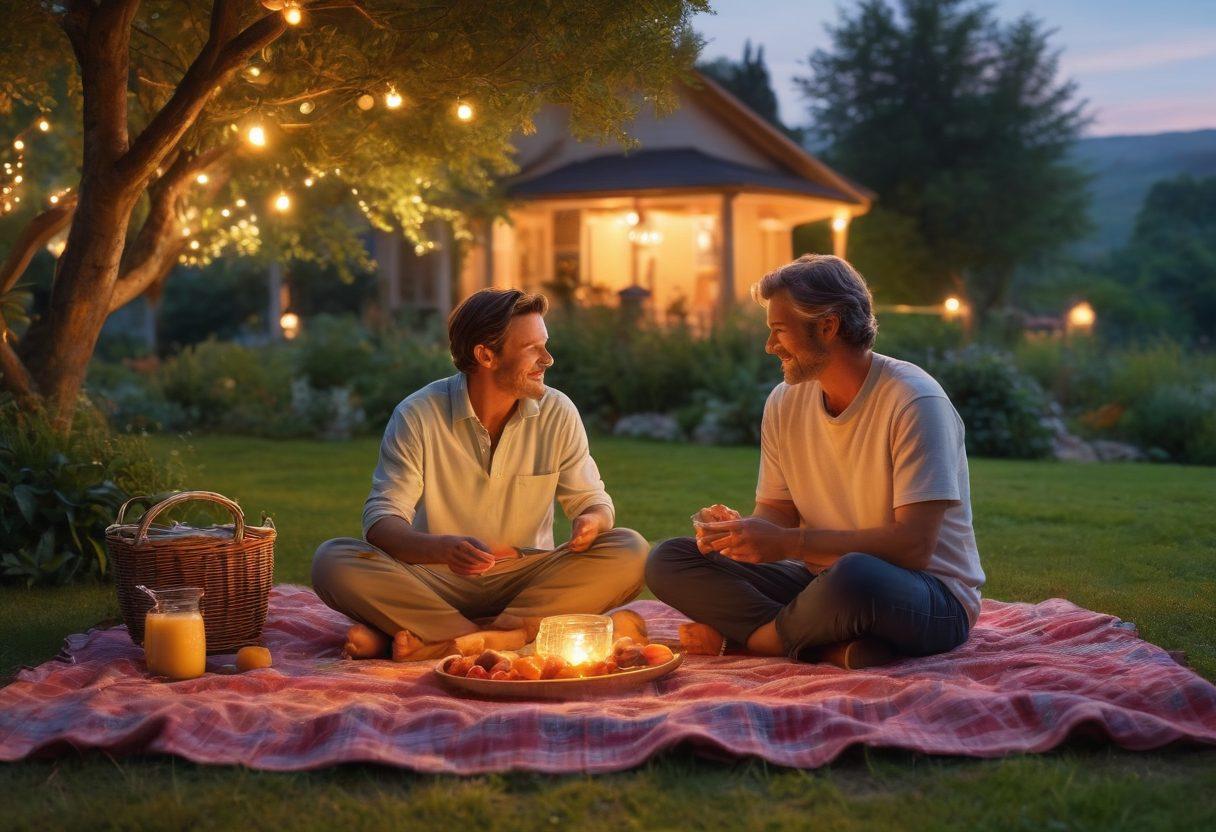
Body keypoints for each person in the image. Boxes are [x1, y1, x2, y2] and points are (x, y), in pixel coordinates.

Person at [645, 254, 984, 669]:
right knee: (669, 560)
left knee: (855, 576)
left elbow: (912, 547)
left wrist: (788, 544)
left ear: (827, 326)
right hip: (820, 583)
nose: (770, 346)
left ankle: (761, 641)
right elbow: (778, 511)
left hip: (925, 595)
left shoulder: (914, 401)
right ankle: (829, 645)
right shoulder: (785, 402)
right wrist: (741, 535)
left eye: (779, 331)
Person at [312, 288, 648, 661]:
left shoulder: (557, 411)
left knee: (630, 549)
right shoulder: (418, 414)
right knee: (333, 560)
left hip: (528, 578)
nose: (548, 359)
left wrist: (592, 521)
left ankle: (439, 639)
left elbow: (593, 501)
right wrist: (441, 548)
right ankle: (501, 639)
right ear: (485, 355)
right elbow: (381, 521)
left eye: (545, 345)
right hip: (436, 580)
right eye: (531, 349)